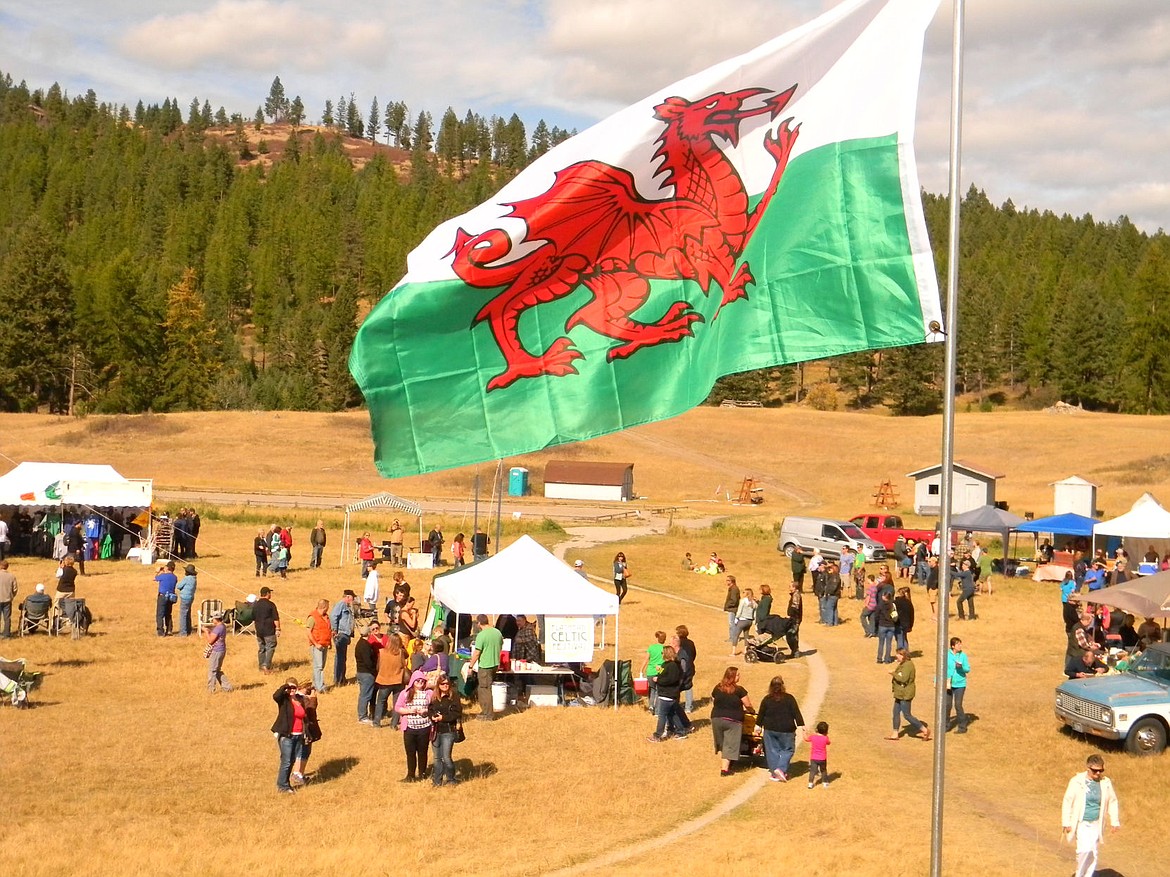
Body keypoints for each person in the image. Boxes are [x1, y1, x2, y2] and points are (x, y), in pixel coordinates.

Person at [1062, 754, 1120, 877]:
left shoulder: (1105, 783)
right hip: (1082, 822)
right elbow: (1068, 801)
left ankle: (1088, 875)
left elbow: (1112, 801)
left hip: (1096, 823)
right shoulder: (1077, 781)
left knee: (1093, 852)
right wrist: (1066, 822)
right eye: (1095, 770)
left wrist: (1115, 822)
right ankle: (1080, 874)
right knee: (1084, 850)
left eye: (1101, 770)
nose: (1098, 773)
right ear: (1088, 768)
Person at [756, 674, 804, 781]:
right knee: (788, 750)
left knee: (772, 751)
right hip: (787, 730)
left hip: (770, 729)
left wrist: (758, 726)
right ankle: (781, 769)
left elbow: (761, 714)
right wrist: (801, 725)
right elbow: (796, 712)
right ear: (782, 686)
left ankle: (774, 774)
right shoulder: (789, 698)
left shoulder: (767, 699)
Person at [710, 666, 752, 777]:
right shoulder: (740, 690)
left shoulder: (717, 688)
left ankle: (727, 765)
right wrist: (752, 711)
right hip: (733, 721)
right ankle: (725, 770)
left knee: (723, 743)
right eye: (738, 675)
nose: (739, 677)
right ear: (732, 677)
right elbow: (747, 705)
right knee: (730, 744)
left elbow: (713, 700)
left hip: (716, 719)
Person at [395, 670, 434, 782]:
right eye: (417, 680)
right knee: (410, 753)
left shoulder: (429, 694)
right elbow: (397, 708)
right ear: (413, 681)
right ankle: (410, 775)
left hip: (424, 728)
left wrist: (425, 711)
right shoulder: (405, 693)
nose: (420, 682)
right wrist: (409, 710)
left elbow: (433, 707)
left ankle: (422, 773)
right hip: (410, 729)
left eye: (422, 680)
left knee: (422, 752)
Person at [647, 644, 691, 741]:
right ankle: (681, 732)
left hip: (668, 695)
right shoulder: (667, 665)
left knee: (662, 715)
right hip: (668, 694)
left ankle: (657, 735)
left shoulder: (673, 666)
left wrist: (658, 679)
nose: (661, 654)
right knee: (672, 714)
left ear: (666, 654)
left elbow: (670, 679)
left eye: (662, 653)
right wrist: (660, 671)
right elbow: (665, 674)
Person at [271, 677, 306, 793]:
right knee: (286, 761)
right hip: (287, 736)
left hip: (298, 735)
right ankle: (282, 786)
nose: (291, 690)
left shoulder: (299, 700)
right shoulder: (284, 700)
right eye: (289, 687)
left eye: (293, 687)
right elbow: (276, 696)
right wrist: (285, 687)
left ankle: (286, 784)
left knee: (291, 761)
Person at [428, 674, 463, 786]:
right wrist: (432, 716)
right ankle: (437, 781)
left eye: (447, 683)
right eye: (442, 683)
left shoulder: (454, 697)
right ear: (438, 685)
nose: (445, 685)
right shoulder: (434, 697)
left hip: (448, 731)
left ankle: (451, 779)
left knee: (446, 757)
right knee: (437, 758)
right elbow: (430, 709)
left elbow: (457, 713)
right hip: (436, 730)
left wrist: (443, 718)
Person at [887, 648, 929, 740]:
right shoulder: (903, 664)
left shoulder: (908, 666)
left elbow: (903, 679)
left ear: (903, 656)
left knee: (907, 715)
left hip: (905, 694)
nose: (896, 656)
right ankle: (895, 734)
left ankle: (924, 730)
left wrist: (893, 674)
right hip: (899, 693)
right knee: (895, 713)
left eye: (898, 654)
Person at [469, 613, 503, 720]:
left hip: (485, 665)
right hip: (495, 664)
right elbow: (501, 644)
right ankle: (485, 711)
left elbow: (477, 653)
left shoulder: (481, 635)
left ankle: (488, 714)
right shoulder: (497, 632)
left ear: (479, 623)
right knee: (484, 688)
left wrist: (470, 666)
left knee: (485, 689)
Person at [374, 630, 410, 728]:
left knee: (381, 701)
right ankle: (394, 724)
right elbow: (407, 655)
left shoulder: (381, 652)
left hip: (384, 680)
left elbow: (378, 666)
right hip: (398, 681)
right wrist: (402, 646)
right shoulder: (401, 652)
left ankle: (377, 722)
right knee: (397, 703)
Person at [291, 680, 320, 785]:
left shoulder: (300, 698)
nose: (307, 691)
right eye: (307, 689)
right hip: (303, 729)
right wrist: (313, 697)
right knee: (302, 751)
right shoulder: (301, 698)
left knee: (306, 751)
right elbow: (311, 709)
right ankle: (297, 773)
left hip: (306, 729)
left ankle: (300, 774)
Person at [355, 621, 383, 723]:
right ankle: (362, 716)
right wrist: (374, 672)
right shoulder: (365, 646)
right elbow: (368, 662)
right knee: (365, 695)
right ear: (369, 633)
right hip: (366, 673)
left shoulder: (360, 643)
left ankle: (363, 715)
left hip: (361, 672)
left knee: (364, 694)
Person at [329, 589, 356, 686]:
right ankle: (339, 680)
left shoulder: (346, 606)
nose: (353, 600)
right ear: (348, 597)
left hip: (345, 634)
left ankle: (341, 679)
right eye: (352, 598)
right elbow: (333, 616)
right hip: (341, 634)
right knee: (340, 658)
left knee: (342, 657)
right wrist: (334, 630)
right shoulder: (341, 604)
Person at [253, 586, 280, 673]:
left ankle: (261, 666)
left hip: (259, 631)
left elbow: (253, 617)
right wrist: (278, 628)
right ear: (267, 594)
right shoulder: (271, 604)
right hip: (269, 630)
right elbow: (276, 618)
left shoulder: (255, 604)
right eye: (270, 593)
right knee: (270, 647)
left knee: (261, 648)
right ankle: (266, 665)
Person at [946, 636, 970, 733]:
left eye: (960, 643)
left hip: (960, 684)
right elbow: (941, 668)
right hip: (948, 683)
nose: (960, 646)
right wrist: (936, 680)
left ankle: (962, 727)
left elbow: (967, 669)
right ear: (952, 646)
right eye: (958, 644)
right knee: (947, 705)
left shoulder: (963, 656)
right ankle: (946, 726)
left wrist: (961, 667)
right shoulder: (946, 655)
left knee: (958, 705)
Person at [205, 609, 233, 693]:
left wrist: (206, 632)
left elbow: (210, 640)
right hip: (221, 650)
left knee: (212, 670)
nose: (212, 620)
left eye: (213, 619)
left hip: (216, 651)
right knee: (217, 670)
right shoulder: (222, 626)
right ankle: (227, 687)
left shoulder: (218, 628)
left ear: (216, 619)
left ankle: (211, 689)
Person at [307, 599, 332, 692]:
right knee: (319, 666)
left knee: (321, 666)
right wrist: (316, 644)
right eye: (328, 607)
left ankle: (315, 684)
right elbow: (308, 632)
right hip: (317, 645)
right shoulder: (312, 617)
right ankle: (320, 687)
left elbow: (328, 630)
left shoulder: (326, 617)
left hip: (325, 644)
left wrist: (330, 643)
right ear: (324, 607)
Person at [641, 630, 667, 714]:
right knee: (659, 691)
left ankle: (651, 706)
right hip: (660, 672)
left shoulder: (651, 648)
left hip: (650, 672)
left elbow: (646, 659)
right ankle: (657, 710)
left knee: (652, 690)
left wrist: (641, 669)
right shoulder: (665, 649)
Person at [676, 624, 697, 713]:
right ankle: (688, 707)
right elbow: (694, 654)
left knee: (677, 686)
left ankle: (676, 704)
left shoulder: (678, 642)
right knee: (688, 686)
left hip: (680, 666)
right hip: (690, 666)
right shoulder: (691, 642)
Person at [805, 721, 831, 788]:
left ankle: (810, 783)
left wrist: (804, 732)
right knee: (823, 770)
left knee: (813, 771)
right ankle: (825, 783)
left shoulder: (813, 737)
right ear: (826, 731)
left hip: (814, 758)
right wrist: (826, 735)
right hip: (822, 758)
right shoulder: (825, 738)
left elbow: (806, 739)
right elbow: (829, 743)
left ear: (817, 729)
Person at [154, 560, 177, 637]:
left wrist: (158, 571)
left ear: (167, 568)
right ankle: (169, 629)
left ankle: (160, 632)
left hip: (162, 596)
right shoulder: (174, 577)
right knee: (168, 613)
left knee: (160, 614)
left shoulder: (163, 576)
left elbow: (155, 578)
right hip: (171, 597)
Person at [731, 587, 755, 655]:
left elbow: (739, 611)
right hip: (749, 621)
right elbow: (755, 612)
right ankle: (745, 650)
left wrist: (736, 618)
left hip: (742, 620)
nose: (742, 593)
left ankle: (733, 651)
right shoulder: (753, 602)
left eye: (744, 592)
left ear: (747, 594)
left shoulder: (743, 601)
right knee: (746, 636)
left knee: (736, 635)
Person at [875, 590, 897, 664]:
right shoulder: (892, 605)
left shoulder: (880, 605)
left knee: (881, 643)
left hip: (882, 625)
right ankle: (887, 659)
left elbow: (876, 615)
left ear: (884, 597)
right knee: (889, 643)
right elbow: (895, 617)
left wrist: (877, 624)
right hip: (891, 626)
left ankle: (879, 658)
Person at [176, 564, 198, 637]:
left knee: (183, 615)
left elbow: (179, 586)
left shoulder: (187, 578)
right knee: (188, 613)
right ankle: (188, 629)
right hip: (191, 597)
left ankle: (183, 632)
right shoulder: (194, 579)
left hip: (185, 597)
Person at [894, 586, 915, 652]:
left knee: (899, 638)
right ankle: (906, 653)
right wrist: (911, 625)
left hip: (898, 623)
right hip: (906, 624)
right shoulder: (909, 603)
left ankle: (901, 654)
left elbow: (893, 612)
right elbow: (912, 615)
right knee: (904, 638)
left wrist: (893, 620)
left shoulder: (896, 602)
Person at [0, 560, 17, 638]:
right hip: (7, 599)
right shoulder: (12, 576)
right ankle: (7, 634)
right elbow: (15, 589)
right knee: (7, 618)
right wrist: (12, 596)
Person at [722, 574, 740, 646]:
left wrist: (728, 605)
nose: (726, 582)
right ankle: (733, 637)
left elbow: (734, 600)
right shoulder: (733, 588)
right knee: (732, 623)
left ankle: (733, 637)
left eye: (727, 580)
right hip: (732, 608)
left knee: (731, 623)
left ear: (731, 581)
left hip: (732, 609)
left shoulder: (734, 589)